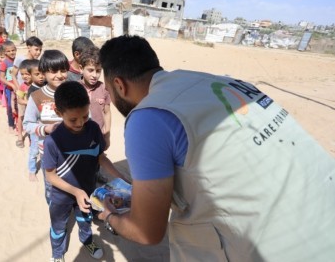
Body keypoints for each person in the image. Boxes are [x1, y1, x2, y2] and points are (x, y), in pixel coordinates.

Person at [97, 35, 335, 261]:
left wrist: (111, 218)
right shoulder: (226, 82)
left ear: (119, 85)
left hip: (282, 249)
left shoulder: (147, 117)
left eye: (108, 90)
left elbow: (146, 231)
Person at [42, 81, 127, 262]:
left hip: (88, 190)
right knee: (58, 227)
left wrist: (121, 178)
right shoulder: (53, 142)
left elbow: (100, 157)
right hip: (61, 196)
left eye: (85, 116)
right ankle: (57, 254)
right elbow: (50, 175)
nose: (80, 123)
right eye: (73, 119)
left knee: (85, 220)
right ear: (58, 112)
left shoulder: (93, 129)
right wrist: (75, 191)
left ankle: (87, 240)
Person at [23, 50, 69, 186]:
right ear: (43, 73)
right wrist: (46, 129)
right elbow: (27, 124)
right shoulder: (37, 96)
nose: (59, 75)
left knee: (72, 185)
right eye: (53, 71)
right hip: (48, 153)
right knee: (51, 188)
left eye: (63, 70)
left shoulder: (75, 91)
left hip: (72, 151)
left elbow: (87, 117)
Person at [78, 45, 111, 150]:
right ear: (81, 69)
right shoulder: (74, 88)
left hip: (97, 136)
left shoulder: (104, 89)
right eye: (90, 70)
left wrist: (107, 135)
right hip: (77, 136)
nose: (95, 75)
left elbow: (107, 112)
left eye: (98, 71)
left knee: (96, 162)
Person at [24, 59, 44, 181]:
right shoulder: (32, 91)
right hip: (36, 125)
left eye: (43, 73)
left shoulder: (48, 85)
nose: (41, 76)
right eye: (37, 74)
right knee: (34, 150)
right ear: (30, 75)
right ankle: (32, 170)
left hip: (46, 124)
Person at [13, 60, 33, 148]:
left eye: (27, 74)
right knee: (21, 118)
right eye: (22, 74)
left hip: (33, 110)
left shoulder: (38, 85)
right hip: (24, 107)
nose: (24, 76)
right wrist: (28, 102)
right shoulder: (22, 86)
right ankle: (20, 136)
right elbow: (19, 100)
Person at [0, 41, 17, 134]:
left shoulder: (17, 61)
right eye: (9, 51)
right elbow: (2, 78)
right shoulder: (4, 63)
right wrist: (11, 85)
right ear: (5, 52)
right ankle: (11, 125)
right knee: (10, 107)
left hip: (18, 88)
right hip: (9, 90)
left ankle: (19, 123)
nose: (12, 52)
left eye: (13, 50)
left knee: (18, 106)